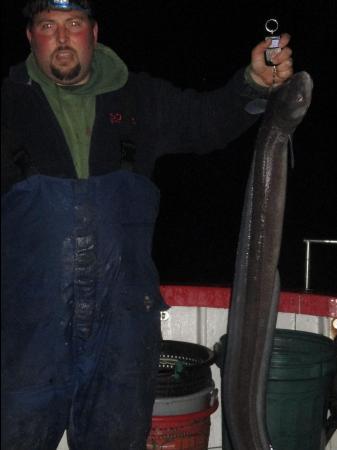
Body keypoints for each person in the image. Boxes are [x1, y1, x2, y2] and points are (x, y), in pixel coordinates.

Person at [1, 1, 293, 449]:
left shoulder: (140, 98)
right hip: (26, 331)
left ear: (94, 33)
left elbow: (207, 122)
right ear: (31, 37)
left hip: (121, 329)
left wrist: (252, 83)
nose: (61, 37)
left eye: (73, 24)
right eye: (47, 26)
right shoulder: (8, 103)